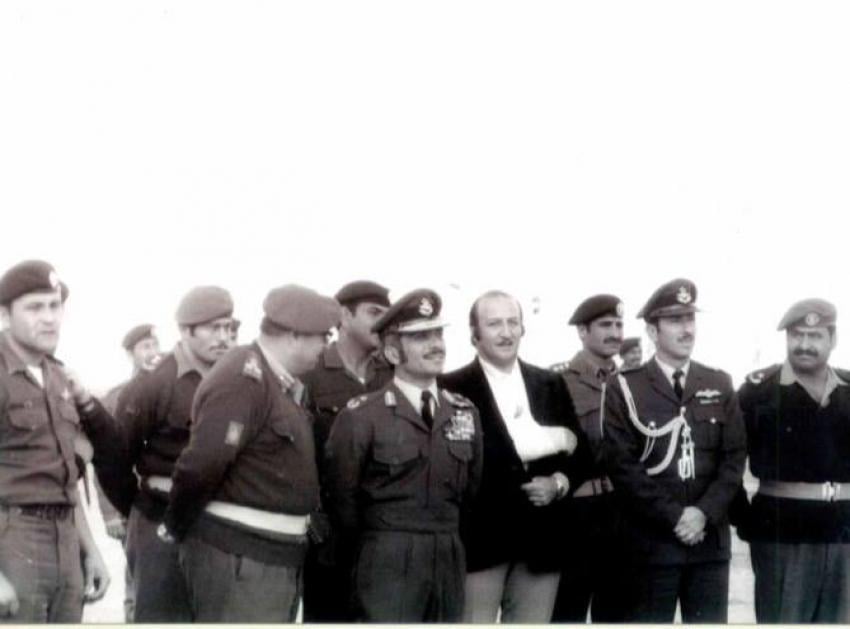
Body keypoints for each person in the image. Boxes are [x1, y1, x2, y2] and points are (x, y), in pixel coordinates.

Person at [160, 285, 339, 622]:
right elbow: (203, 461)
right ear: (294, 335)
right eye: (323, 336)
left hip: (268, 560)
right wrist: (176, 523)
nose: (326, 346)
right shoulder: (244, 376)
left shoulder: (276, 383)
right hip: (242, 560)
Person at [325, 288, 483, 622]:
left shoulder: (464, 412)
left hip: (448, 553)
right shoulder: (362, 416)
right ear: (393, 352)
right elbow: (342, 501)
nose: (436, 345)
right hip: (386, 557)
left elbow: (471, 492)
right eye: (421, 337)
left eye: (438, 334)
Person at [439, 290, 591, 623]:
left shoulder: (549, 383)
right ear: (474, 333)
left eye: (513, 322)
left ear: (523, 328)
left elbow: (581, 453)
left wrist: (557, 483)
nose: (506, 333)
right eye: (494, 324)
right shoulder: (450, 388)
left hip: (541, 541)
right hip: (479, 542)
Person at [602, 278, 746, 623]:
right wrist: (676, 516)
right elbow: (622, 465)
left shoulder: (719, 382)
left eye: (690, 319)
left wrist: (702, 514)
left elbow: (733, 459)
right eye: (675, 320)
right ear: (653, 331)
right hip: (651, 546)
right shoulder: (625, 386)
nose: (687, 329)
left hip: (708, 544)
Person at [106, 286, 235, 622]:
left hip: (220, 525)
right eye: (213, 328)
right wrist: (142, 510)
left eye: (228, 327)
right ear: (185, 331)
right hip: (159, 522)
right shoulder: (152, 385)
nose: (223, 337)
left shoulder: (234, 381)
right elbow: (114, 461)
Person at [0, 260, 110, 623]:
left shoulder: (59, 377)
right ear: (5, 314)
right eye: (34, 308)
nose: (49, 318)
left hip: (65, 539)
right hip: (13, 538)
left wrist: (90, 550)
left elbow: (67, 479)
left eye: (55, 305)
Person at [737, 299, 850, 623]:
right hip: (782, 533)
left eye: (815, 336)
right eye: (797, 335)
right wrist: (746, 519)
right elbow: (729, 461)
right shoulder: (757, 391)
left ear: (833, 339)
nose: (804, 344)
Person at [300, 280, 392, 622]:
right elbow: (296, 453)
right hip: (329, 535)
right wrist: (313, 519)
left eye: (387, 315)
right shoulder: (310, 373)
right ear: (344, 316)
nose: (383, 323)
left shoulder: (392, 374)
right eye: (374, 313)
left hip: (383, 532)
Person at [551, 294, 628, 622]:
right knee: (567, 611)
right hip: (577, 514)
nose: (615, 333)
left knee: (616, 613)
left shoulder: (631, 381)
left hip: (623, 511)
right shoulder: (558, 382)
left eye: (619, 325)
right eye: (605, 325)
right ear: (582, 332)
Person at [96, 323, 160, 622]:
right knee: (139, 581)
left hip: (166, 505)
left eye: (155, 345)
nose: (153, 352)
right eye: (145, 347)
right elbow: (103, 458)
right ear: (130, 354)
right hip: (131, 505)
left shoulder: (170, 388)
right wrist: (110, 514)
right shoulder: (116, 398)